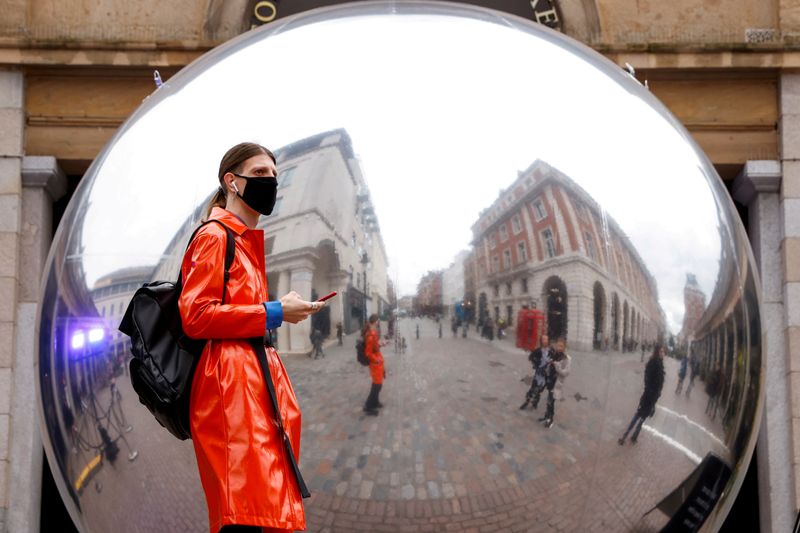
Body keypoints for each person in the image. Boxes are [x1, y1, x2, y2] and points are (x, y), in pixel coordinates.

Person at [179, 142, 324, 533]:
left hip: (251, 383)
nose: (271, 182)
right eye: (260, 174)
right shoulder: (215, 236)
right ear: (232, 181)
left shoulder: (243, 242)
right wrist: (276, 312)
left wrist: (283, 310)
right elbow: (196, 315)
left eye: (274, 175)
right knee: (244, 511)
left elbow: (237, 313)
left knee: (259, 506)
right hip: (230, 390)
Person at [618, 344, 666, 445]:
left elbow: (656, 382)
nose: (663, 354)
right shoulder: (654, 363)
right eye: (661, 351)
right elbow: (648, 378)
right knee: (638, 415)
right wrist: (650, 391)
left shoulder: (659, 364)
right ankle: (625, 435)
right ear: (657, 352)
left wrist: (655, 394)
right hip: (649, 396)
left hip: (652, 397)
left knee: (643, 417)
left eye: (663, 352)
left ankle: (634, 436)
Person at [539, 338, 570, 428]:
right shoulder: (554, 354)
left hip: (556, 383)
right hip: (550, 380)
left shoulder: (566, 358)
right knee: (548, 400)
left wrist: (557, 366)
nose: (559, 347)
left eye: (561, 346)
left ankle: (550, 419)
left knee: (551, 402)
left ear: (564, 347)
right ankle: (546, 416)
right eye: (558, 345)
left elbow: (566, 373)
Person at [520, 334, 551, 411]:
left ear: (548, 341)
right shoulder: (538, 350)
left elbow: (555, 360)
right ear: (541, 341)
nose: (544, 341)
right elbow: (531, 357)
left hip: (546, 375)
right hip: (538, 374)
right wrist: (536, 364)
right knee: (532, 389)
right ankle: (526, 402)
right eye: (543, 339)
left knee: (539, 390)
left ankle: (535, 402)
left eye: (546, 339)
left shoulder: (551, 351)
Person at [363, 314, 386, 415]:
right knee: (377, 385)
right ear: (375, 321)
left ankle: (375, 402)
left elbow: (374, 347)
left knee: (378, 384)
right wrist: (376, 360)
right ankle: (368, 406)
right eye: (378, 321)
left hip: (378, 361)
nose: (379, 323)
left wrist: (381, 344)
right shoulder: (371, 335)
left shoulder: (373, 333)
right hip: (375, 363)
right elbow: (368, 353)